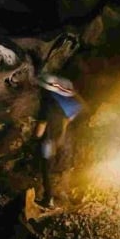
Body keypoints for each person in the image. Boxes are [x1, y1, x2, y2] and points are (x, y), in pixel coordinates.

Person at [34, 72, 83, 209]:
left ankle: (48, 199)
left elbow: (40, 129)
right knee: (66, 166)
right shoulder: (66, 99)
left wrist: (35, 138)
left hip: (50, 141)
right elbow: (70, 116)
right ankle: (65, 193)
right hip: (66, 139)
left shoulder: (46, 103)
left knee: (47, 169)